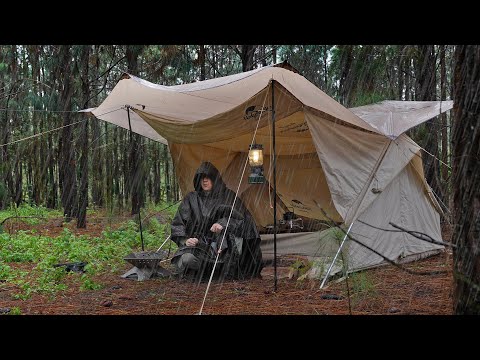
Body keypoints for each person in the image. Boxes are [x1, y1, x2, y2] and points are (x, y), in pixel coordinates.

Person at [170, 161, 263, 282]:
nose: (204, 181)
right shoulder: (191, 199)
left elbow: (243, 220)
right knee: (187, 259)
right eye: (202, 177)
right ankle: (203, 271)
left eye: (208, 177)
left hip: (224, 245)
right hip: (200, 246)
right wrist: (186, 240)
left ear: (215, 179)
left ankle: (222, 271)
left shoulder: (228, 195)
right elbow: (178, 223)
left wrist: (223, 224)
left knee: (231, 250)